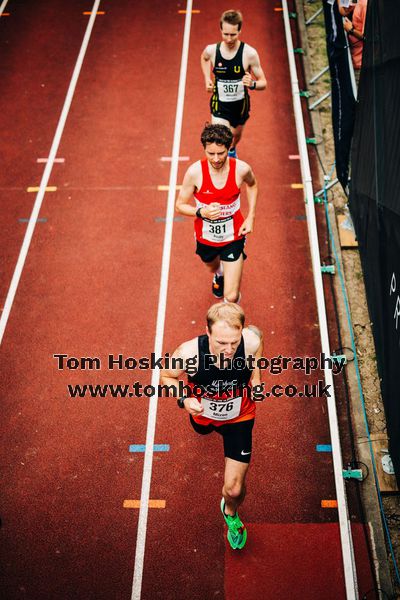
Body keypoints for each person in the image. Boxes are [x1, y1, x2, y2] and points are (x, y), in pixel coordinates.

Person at [160, 302, 263, 549]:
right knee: (203, 431)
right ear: (208, 333)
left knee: (235, 489)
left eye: (234, 342)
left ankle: (230, 513)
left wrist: (256, 379)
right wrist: (184, 399)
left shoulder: (250, 341)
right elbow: (166, 376)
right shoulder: (189, 354)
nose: (228, 350)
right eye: (221, 343)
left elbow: (257, 349)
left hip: (240, 417)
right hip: (203, 415)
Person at [175, 123, 258, 303]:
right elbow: (180, 205)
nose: (216, 159)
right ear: (204, 149)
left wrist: (251, 216)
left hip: (234, 235)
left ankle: (233, 325)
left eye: (221, 153)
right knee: (212, 267)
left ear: (229, 148)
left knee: (231, 295)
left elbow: (252, 185)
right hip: (206, 236)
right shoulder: (195, 172)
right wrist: (201, 211)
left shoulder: (241, 169)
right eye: (210, 153)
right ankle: (219, 274)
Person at [200, 9, 267, 157]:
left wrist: (253, 84)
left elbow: (264, 82)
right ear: (220, 30)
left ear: (240, 31)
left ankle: (232, 149)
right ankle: (223, 169)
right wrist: (207, 78)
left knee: (235, 136)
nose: (229, 39)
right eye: (225, 34)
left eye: (233, 34)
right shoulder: (212, 50)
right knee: (221, 138)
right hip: (220, 104)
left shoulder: (249, 54)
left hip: (240, 105)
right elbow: (204, 58)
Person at [338, 0, 368, 88]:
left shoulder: (365, 5)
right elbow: (343, 11)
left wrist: (351, 30)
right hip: (355, 59)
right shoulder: (359, 2)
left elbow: (369, 37)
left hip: (361, 64)